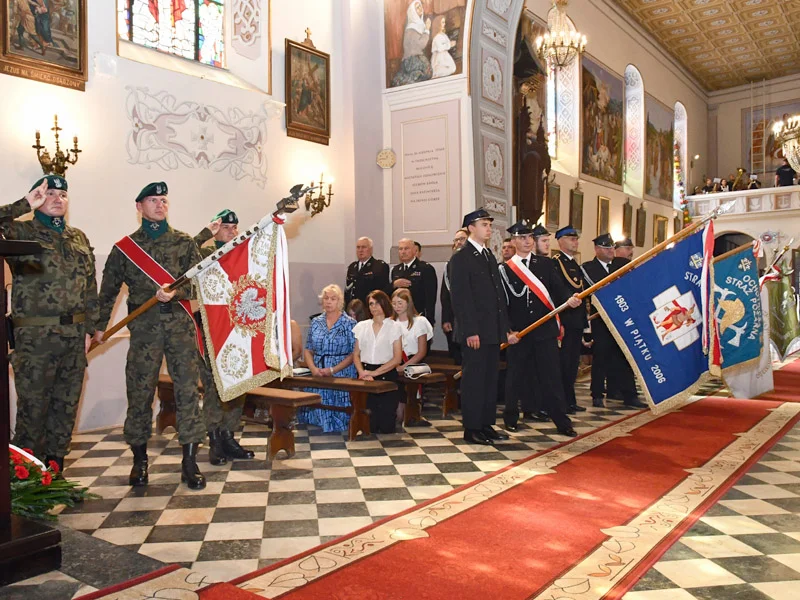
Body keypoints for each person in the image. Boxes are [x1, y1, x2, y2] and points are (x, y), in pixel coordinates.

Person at [95, 182, 206, 490]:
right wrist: (99, 327)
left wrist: (177, 292)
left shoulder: (184, 243)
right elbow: (108, 293)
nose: (160, 205)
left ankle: (190, 462)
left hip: (180, 330)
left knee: (186, 393)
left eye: (164, 200)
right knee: (140, 393)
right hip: (144, 332)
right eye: (153, 200)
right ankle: (139, 461)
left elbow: (199, 284)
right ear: (139, 207)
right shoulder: (125, 249)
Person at [2, 176, 97, 472]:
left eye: (62, 195)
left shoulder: (78, 237)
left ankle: (54, 473)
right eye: (49, 194)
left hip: (73, 336)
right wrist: (25, 204)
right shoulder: (20, 230)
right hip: (35, 338)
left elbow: (90, 286)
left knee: (65, 408)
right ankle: (26, 480)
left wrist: (90, 328)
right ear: (38, 198)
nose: (57, 199)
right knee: (33, 410)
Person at [499, 221, 580, 436]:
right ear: (514, 241)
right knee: (514, 377)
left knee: (552, 377)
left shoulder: (545, 264)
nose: (527, 241)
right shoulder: (505, 269)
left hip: (544, 332)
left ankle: (562, 422)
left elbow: (558, 289)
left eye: (529, 238)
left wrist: (569, 299)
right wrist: (508, 331)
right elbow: (501, 305)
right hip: (520, 332)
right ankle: (510, 418)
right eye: (522, 238)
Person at [449, 208, 519, 446]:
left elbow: (498, 297)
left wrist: (506, 328)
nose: (489, 228)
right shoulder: (461, 257)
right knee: (474, 381)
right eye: (484, 224)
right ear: (471, 227)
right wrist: (470, 331)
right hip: (475, 332)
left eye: (489, 225)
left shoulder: (488, 255)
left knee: (490, 380)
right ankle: (472, 428)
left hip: (491, 330)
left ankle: (487, 424)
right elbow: (461, 298)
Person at [193, 209, 254, 465]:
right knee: (215, 387)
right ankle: (215, 439)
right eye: (227, 227)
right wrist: (207, 232)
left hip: (237, 329)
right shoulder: (205, 254)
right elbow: (185, 256)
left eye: (235, 227)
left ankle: (229, 436)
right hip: (211, 330)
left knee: (237, 385)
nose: (233, 231)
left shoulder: (242, 255)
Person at [582, 234, 646, 410]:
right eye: (606, 248)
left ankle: (630, 395)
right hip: (601, 320)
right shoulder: (588, 268)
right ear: (597, 249)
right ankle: (596, 394)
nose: (610, 251)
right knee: (601, 357)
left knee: (625, 357)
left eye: (611, 247)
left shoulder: (622, 265)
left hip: (621, 319)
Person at [299, 284, 357, 433]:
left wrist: (333, 369)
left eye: (333, 298)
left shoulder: (349, 323)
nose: (329, 302)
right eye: (326, 298)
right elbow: (308, 349)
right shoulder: (316, 322)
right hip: (318, 369)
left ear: (340, 301)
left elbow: (354, 353)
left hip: (341, 370)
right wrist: (313, 369)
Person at [353, 291, 404, 434]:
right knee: (370, 425)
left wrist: (375, 373)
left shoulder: (394, 327)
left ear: (384, 304)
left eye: (377, 303)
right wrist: (362, 372)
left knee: (386, 426)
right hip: (365, 373)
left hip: (386, 373)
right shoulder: (362, 326)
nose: (374, 307)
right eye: (371, 304)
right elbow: (356, 354)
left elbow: (397, 359)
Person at [552, 226, 588, 415]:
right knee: (564, 363)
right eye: (571, 238)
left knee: (572, 363)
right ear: (560, 241)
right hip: (564, 320)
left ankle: (570, 399)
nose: (575, 242)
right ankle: (562, 401)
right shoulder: (556, 263)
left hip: (575, 321)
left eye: (576, 239)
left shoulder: (574, 264)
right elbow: (558, 290)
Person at [391, 288, 433, 423]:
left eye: (400, 303)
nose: (396, 306)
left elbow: (422, 352)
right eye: (394, 303)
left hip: (413, 361)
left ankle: (410, 409)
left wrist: (404, 366)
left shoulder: (419, 321)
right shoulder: (390, 322)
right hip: (394, 361)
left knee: (404, 378)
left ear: (408, 303)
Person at [391, 237, 438, 326]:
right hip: (399, 317)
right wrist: (394, 284)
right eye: (400, 249)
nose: (403, 252)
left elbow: (430, 297)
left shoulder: (425, 268)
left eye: (406, 248)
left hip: (418, 315)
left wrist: (429, 319)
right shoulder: (396, 270)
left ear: (414, 251)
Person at [441, 228, 468, 364]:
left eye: (462, 239)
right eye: (456, 240)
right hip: (453, 319)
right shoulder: (449, 265)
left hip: (471, 319)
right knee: (456, 356)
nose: (459, 243)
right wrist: (446, 319)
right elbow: (445, 295)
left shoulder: (476, 262)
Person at [391, 0, 432, 87]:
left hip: (417, 57)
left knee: (427, 72)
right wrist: (427, 29)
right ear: (413, 12)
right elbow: (421, 44)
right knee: (426, 73)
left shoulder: (419, 25)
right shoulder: (411, 28)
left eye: (420, 6)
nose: (421, 9)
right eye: (417, 8)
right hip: (411, 60)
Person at [345, 237, 390, 306]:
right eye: (358, 247)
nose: (360, 250)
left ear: (371, 249)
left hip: (369, 307)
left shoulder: (379, 266)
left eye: (363, 247)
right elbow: (349, 290)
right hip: (353, 308)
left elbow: (383, 291)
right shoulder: (352, 267)